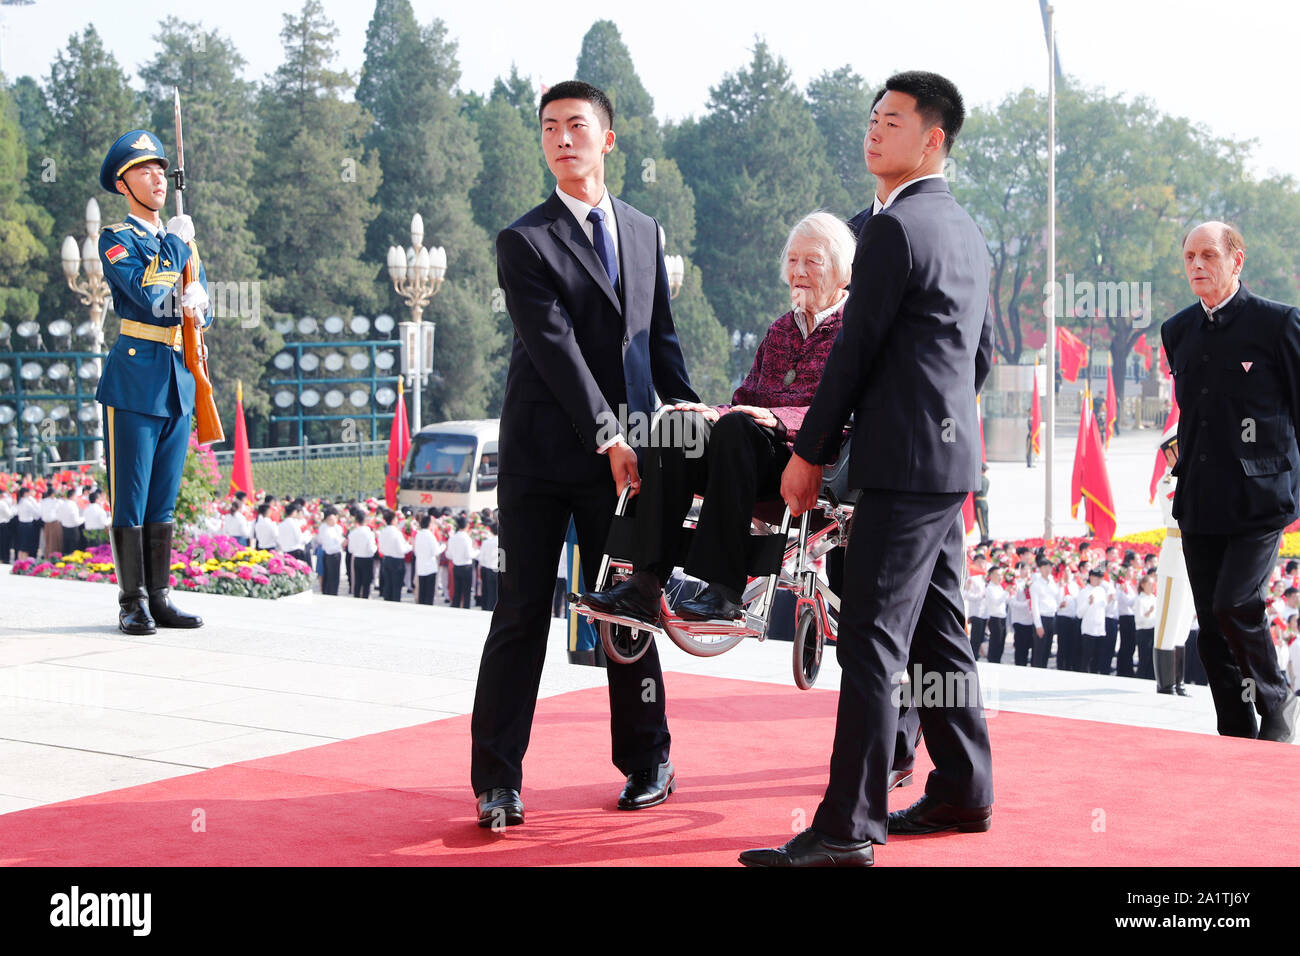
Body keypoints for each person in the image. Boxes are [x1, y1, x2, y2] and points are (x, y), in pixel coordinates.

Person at [744, 72, 994, 867]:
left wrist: (810, 454)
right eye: (872, 118)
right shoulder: (965, 229)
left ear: (933, 139)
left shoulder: (894, 229)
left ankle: (848, 828)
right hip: (946, 463)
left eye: (892, 120)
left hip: (901, 465)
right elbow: (978, 357)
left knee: (872, 642)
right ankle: (962, 786)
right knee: (936, 632)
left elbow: (852, 352)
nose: (874, 131)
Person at [469, 80, 698, 829]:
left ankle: (648, 760)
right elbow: (556, 350)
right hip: (544, 459)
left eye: (576, 126)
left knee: (626, 613)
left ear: (607, 139)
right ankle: (497, 779)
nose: (561, 139)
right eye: (548, 129)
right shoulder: (523, 240)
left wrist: (693, 421)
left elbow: (657, 341)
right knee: (523, 612)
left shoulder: (643, 229)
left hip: (626, 466)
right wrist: (609, 435)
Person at [580, 211, 855, 623]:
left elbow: (847, 408)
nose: (797, 271)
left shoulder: (854, 329)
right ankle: (645, 583)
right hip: (745, 446)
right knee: (676, 425)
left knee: (737, 429)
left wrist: (778, 419)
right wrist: (711, 412)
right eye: (792, 261)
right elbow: (746, 398)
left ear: (840, 271)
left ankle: (724, 591)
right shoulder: (780, 330)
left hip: (808, 455)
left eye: (811, 261)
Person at [1160, 221, 1300, 741]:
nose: (1197, 266)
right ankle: (1235, 729)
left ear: (1236, 260)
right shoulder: (1177, 331)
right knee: (1212, 630)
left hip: (1261, 499)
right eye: (1190, 256)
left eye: (1209, 256)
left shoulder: (1279, 324)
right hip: (1199, 499)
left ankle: (1276, 701)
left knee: (1235, 603)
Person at [96, 129, 211, 635]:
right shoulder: (117, 241)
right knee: (132, 496)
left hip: (178, 378)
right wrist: (175, 247)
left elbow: (197, 302)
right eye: (145, 170)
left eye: (161, 170)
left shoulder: (181, 241)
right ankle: (131, 601)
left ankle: (160, 597)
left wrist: (200, 306)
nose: (158, 178)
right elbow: (150, 296)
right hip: (135, 379)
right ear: (124, 185)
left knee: (163, 497)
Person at [377, 508, 409, 603]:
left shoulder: (383, 531)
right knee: (396, 587)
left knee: (388, 585)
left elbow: (381, 547)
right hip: (397, 562)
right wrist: (410, 546)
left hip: (386, 560)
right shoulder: (396, 532)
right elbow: (402, 549)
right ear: (393, 520)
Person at [446, 515, 477, 609]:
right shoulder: (466, 538)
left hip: (456, 566)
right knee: (466, 592)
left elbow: (449, 555)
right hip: (466, 567)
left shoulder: (453, 538)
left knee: (457, 591)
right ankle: (466, 609)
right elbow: (469, 555)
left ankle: (455, 608)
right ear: (467, 525)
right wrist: (477, 551)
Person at [413, 512, 443, 605]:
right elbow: (436, 551)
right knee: (429, 594)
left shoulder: (418, 534)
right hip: (430, 567)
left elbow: (415, 551)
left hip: (421, 567)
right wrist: (444, 546)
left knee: (422, 592)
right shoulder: (430, 535)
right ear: (429, 524)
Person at [346, 508, 376, 600]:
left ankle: (356, 599)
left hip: (357, 558)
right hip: (367, 559)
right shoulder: (369, 533)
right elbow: (372, 549)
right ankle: (365, 599)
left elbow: (350, 549)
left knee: (357, 582)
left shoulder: (353, 532)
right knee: (366, 583)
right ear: (366, 520)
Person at [314, 506, 344, 596]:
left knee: (335, 576)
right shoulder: (325, 529)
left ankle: (333, 592)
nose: (334, 521)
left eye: (335, 518)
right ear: (326, 519)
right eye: (331, 519)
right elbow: (328, 547)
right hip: (330, 554)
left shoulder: (336, 527)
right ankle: (330, 593)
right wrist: (341, 545)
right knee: (331, 577)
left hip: (337, 553)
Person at [478, 520, 499, 612]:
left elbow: (481, 558)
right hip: (499, 570)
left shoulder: (486, 542)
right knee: (498, 593)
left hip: (488, 569)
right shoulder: (502, 541)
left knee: (489, 592)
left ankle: (488, 610)